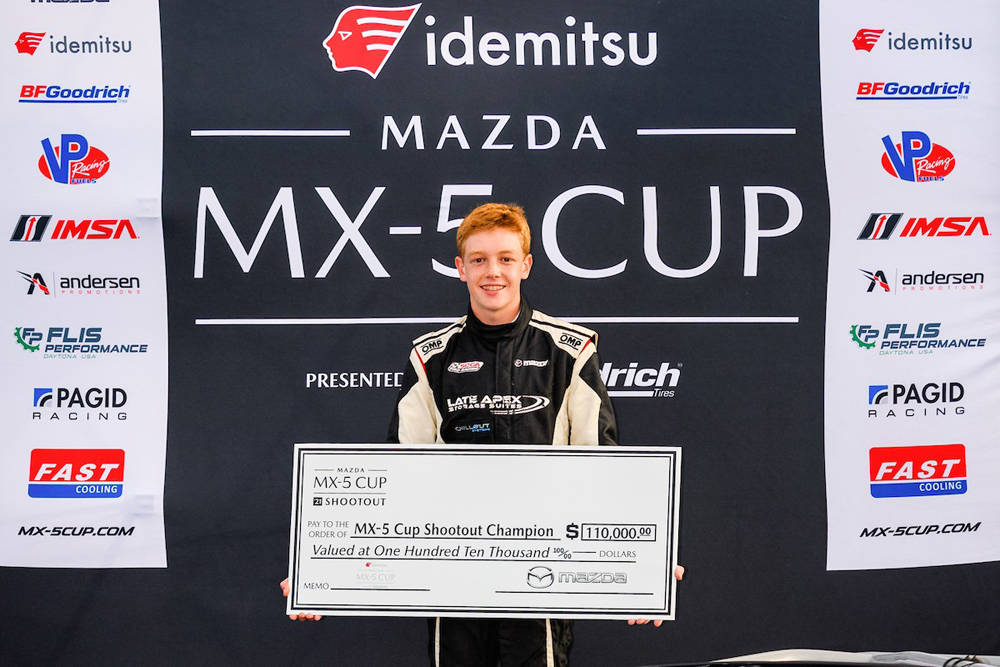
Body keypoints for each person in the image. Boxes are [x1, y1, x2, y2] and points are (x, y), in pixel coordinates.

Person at [280, 203, 682, 665]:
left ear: (526, 265)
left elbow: (603, 466)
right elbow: (395, 477)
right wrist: (321, 572)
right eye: (479, 259)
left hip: (540, 577)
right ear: (460, 268)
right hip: (452, 579)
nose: (493, 272)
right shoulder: (430, 356)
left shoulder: (571, 350)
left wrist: (643, 564)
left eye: (506, 258)